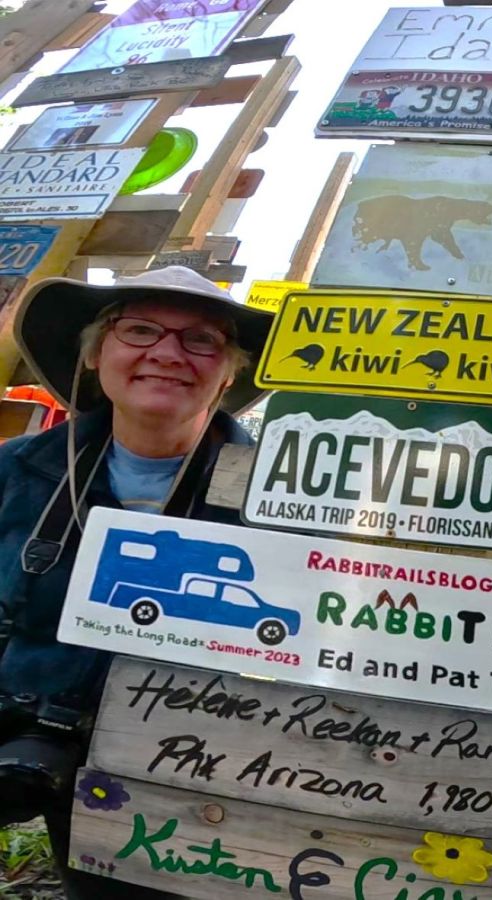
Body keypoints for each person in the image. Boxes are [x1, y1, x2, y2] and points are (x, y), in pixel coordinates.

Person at [0, 267, 273, 899]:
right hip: (22, 737)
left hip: (186, 765)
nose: (168, 353)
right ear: (96, 354)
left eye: (202, 340)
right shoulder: (17, 473)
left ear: (228, 371)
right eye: (140, 330)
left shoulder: (280, 496)